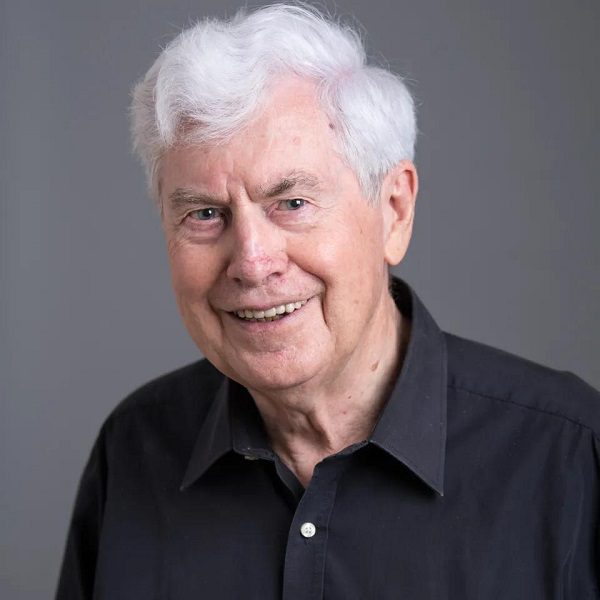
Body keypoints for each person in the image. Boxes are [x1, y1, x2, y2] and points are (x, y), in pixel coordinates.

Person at [56, 4, 600, 599]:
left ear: (394, 210)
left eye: (292, 203)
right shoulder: (133, 451)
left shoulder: (568, 457)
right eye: (205, 214)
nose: (252, 262)